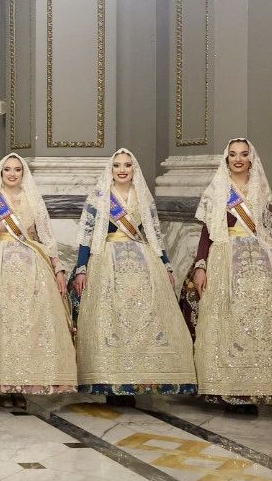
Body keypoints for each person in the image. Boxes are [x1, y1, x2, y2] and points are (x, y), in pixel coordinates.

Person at [185, 138, 272, 412]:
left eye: (243, 154)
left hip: (264, 258)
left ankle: (262, 386)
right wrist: (201, 265)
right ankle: (230, 391)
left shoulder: (261, 187)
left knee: (265, 319)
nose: (238, 159)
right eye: (233, 155)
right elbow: (207, 232)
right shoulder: (218, 188)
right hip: (226, 256)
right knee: (229, 322)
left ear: (252, 158)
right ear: (226, 159)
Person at [70, 149, 196, 404]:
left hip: (141, 260)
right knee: (111, 320)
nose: (122, 169)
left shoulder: (142, 197)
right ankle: (111, 383)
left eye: (127, 165)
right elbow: (86, 235)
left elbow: (155, 235)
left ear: (134, 169)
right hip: (106, 259)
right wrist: (82, 268)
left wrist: (166, 266)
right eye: (117, 165)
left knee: (143, 320)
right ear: (111, 169)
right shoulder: (100, 196)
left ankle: (138, 380)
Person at [0, 153, 77, 407]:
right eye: (8, 169)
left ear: (23, 173)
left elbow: (47, 236)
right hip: (0, 266)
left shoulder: (33, 198)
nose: (13, 174)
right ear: (1, 172)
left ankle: (25, 383)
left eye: (17, 169)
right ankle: (4, 386)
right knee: (4, 326)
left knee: (30, 326)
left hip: (32, 267)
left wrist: (58, 268)